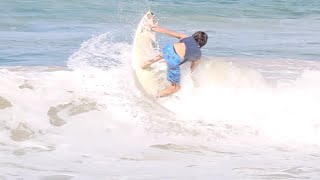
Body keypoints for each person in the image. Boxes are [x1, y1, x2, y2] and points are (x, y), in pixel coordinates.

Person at [142, 23, 208, 98]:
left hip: (169, 48)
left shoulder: (185, 37)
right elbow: (191, 69)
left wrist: (155, 28)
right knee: (176, 88)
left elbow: (169, 32)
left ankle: (145, 64)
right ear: (203, 43)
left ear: (194, 36)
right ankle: (154, 97)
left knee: (165, 54)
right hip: (173, 59)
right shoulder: (198, 55)